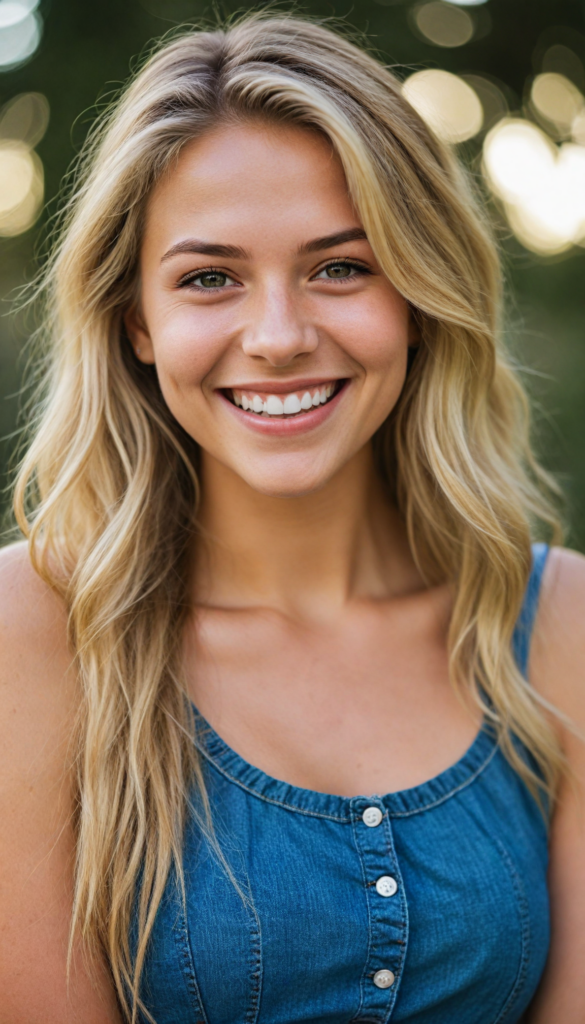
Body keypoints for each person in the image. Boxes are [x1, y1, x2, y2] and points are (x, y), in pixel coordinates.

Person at [1, 13, 585, 1024]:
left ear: (417, 294)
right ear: (137, 319)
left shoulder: (560, 625)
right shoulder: (34, 629)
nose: (277, 336)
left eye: (341, 267)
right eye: (209, 278)